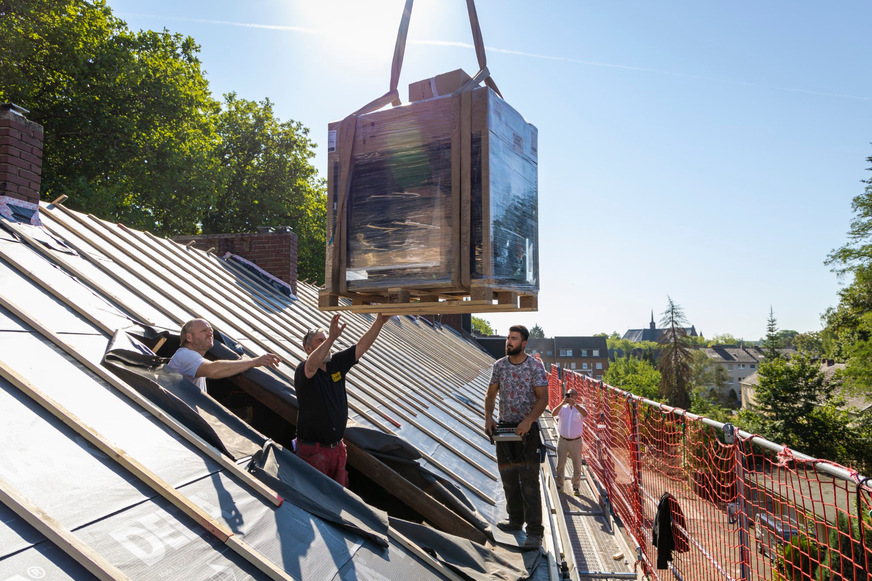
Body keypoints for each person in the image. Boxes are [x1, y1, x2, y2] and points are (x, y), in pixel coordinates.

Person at [294, 313, 391, 486]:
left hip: (336, 449)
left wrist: (379, 322)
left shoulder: (335, 364)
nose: (326, 344)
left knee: (339, 497)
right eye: (320, 341)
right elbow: (311, 364)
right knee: (315, 497)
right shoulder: (304, 370)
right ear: (308, 349)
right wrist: (331, 337)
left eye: (326, 340)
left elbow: (360, 347)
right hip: (313, 452)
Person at [484, 325, 549, 549]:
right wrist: (488, 418)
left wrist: (529, 420)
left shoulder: (534, 366)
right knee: (509, 478)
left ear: (524, 343)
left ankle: (534, 532)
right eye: (508, 338)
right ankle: (514, 520)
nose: (508, 342)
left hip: (526, 432)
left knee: (529, 482)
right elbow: (491, 393)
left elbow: (543, 398)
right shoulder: (499, 366)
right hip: (504, 429)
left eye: (514, 338)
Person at [166, 318, 281, 393]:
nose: (210, 333)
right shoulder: (185, 355)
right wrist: (254, 362)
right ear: (189, 337)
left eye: (210, 330)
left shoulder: (189, 356)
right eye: (204, 331)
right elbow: (212, 370)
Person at [552, 388, 588, 496]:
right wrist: (562, 402)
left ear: (576, 396)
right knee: (560, 464)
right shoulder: (563, 408)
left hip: (575, 441)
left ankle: (576, 487)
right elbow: (553, 413)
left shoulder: (580, 408)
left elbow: (585, 414)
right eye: (569, 394)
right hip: (562, 440)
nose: (571, 396)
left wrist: (575, 404)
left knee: (577, 465)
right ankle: (560, 486)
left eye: (573, 394)